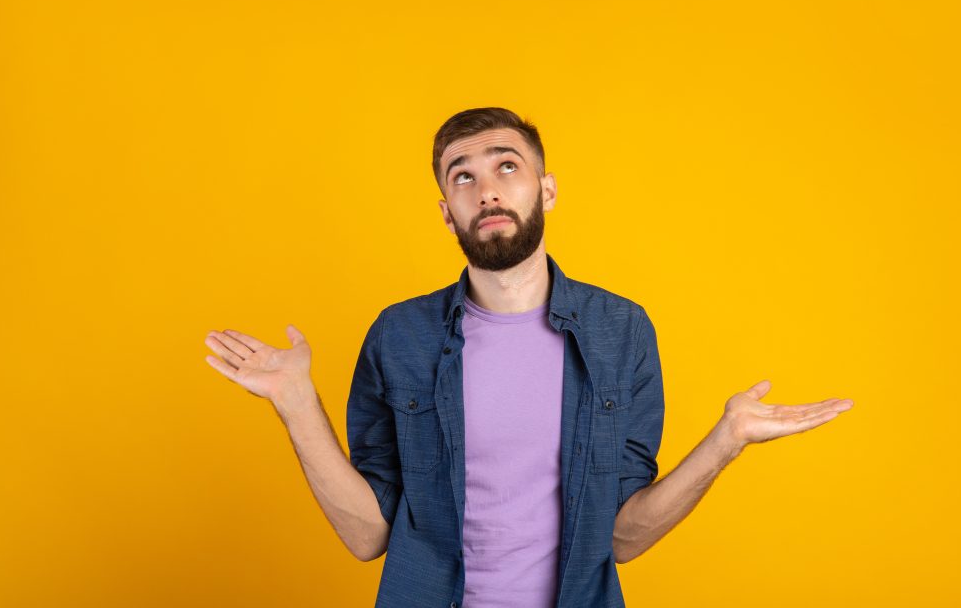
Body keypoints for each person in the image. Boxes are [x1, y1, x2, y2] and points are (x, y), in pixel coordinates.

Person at [203, 107, 855, 608]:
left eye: (506, 167)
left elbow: (622, 538)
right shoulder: (400, 335)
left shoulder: (621, 331)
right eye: (463, 176)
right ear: (447, 212)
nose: (486, 190)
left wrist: (724, 441)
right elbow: (367, 535)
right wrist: (297, 404)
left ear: (546, 190)